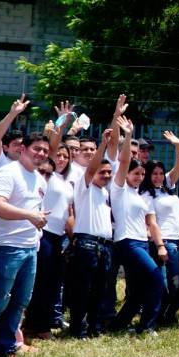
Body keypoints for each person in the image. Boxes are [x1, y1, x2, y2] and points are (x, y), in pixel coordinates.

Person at [0, 131, 50, 357]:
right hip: (6, 248)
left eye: (45, 151)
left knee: (19, 302)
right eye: (37, 148)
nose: (41, 154)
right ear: (23, 149)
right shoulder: (8, 173)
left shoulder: (40, 179)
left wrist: (36, 224)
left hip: (30, 248)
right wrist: (29, 215)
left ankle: (7, 346)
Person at [108, 111, 167, 335]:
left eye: (142, 174)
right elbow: (123, 161)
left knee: (139, 290)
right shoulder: (119, 189)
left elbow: (151, 222)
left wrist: (159, 244)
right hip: (127, 242)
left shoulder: (141, 196)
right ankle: (146, 327)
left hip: (142, 242)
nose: (139, 177)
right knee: (156, 279)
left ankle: (117, 326)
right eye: (135, 173)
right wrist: (128, 135)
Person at [22, 135, 73, 339]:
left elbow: (68, 211)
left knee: (52, 283)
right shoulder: (45, 176)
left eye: (66, 156)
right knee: (42, 283)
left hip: (59, 236)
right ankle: (36, 326)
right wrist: (61, 127)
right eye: (58, 155)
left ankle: (40, 324)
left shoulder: (65, 181)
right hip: (45, 233)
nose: (61, 159)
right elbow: (49, 153)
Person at [66, 130, 114, 338]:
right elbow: (92, 167)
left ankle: (95, 326)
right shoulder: (83, 186)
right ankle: (78, 328)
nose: (106, 175)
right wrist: (102, 145)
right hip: (87, 244)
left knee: (100, 289)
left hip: (105, 245)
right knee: (82, 289)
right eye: (102, 172)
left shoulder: (105, 192)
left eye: (109, 172)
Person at [142, 132, 179, 325]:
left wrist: (178, 145)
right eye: (154, 174)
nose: (159, 177)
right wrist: (160, 244)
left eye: (161, 173)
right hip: (166, 241)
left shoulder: (167, 186)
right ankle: (163, 315)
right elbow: (150, 221)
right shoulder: (146, 194)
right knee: (174, 282)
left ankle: (169, 313)